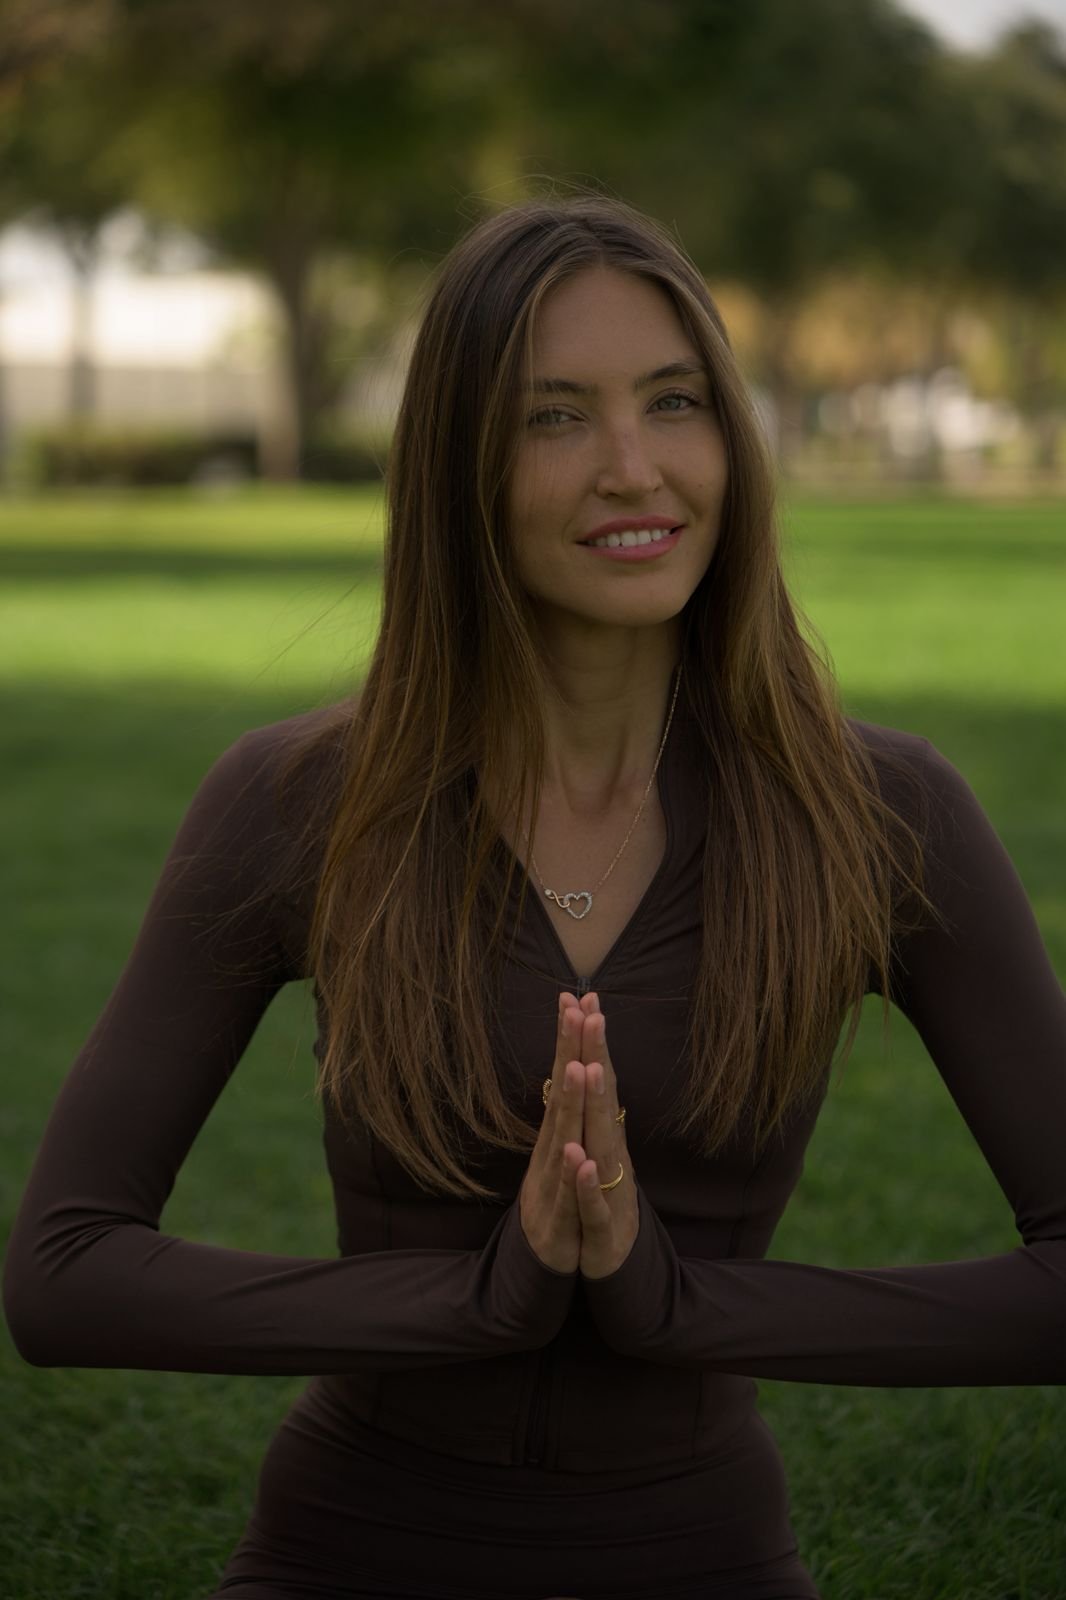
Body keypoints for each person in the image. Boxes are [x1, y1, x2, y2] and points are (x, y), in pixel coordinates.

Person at [4, 192, 1065, 1600]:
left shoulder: (882, 812)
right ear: (461, 466)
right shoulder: (293, 804)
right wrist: (484, 1296)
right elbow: (64, 1275)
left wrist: (668, 1301)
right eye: (553, 417)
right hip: (351, 1544)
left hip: (698, 1551)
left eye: (672, 402)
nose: (634, 469)